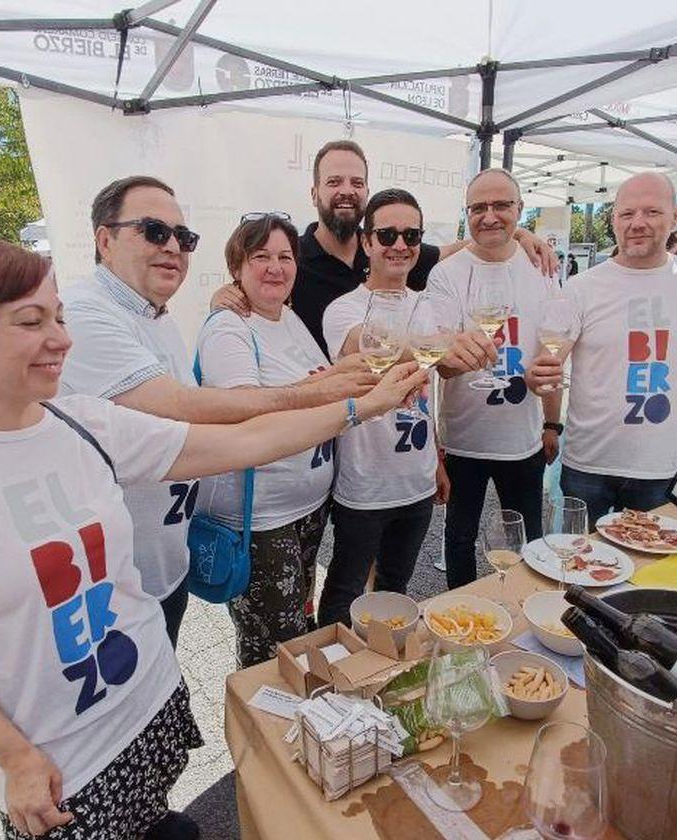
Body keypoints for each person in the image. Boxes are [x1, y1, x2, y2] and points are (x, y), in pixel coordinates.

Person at [0, 236, 425, 840]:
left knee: (160, 822)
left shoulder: (83, 421)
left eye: (60, 317)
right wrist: (13, 758)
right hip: (58, 761)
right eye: (30, 321)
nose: (62, 339)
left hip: (150, 699)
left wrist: (364, 405)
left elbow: (243, 442)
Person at [59, 176, 375, 648]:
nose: (172, 246)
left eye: (182, 238)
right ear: (104, 240)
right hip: (119, 579)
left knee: (275, 644)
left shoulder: (156, 315)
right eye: (153, 231)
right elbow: (195, 410)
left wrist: (338, 378)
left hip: (166, 560)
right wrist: (339, 398)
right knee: (270, 654)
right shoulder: (87, 313)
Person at [210, 140, 559, 354]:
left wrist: (518, 234)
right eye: (334, 182)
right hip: (317, 419)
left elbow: (460, 247)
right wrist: (225, 297)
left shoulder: (390, 252)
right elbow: (255, 293)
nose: (346, 190)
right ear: (314, 193)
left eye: (356, 182)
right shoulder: (293, 258)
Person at [194, 214, 351, 666]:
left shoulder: (289, 318)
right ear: (237, 267)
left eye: (284, 256)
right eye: (260, 256)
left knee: (296, 628)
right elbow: (246, 411)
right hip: (260, 520)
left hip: (305, 510)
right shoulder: (229, 327)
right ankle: (258, 731)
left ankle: (291, 725)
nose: (275, 267)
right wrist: (341, 398)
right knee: (273, 646)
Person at [526, 173, 677, 517]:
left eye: (651, 212)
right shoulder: (581, 287)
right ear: (613, 219)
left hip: (663, 465)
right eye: (626, 214)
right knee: (580, 564)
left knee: (655, 568)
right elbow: (548, 362)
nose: (637, 223)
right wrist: (538, 379)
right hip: (590, 462)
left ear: (674, 216)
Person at [318, 189, 472, 628]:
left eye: (411, 234)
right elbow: (371, 349)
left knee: (394, 592)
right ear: (366, 242)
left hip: (417, 483)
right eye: (387, 234)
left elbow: (434, 389)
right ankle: (329, 680)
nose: (400, 245)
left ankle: (378, 670)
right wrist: (442, 347)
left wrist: (438, 459)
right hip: (364, 484)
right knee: (342, 597)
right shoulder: (342, 309)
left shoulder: (430, 307)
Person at [428, 169, 563, 590]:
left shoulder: (542, 268)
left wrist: (552, 422)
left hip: (522, 439)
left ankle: (526, 613)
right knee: (460, 538)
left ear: (519, 211)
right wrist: (459, 358)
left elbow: (551, 350)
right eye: (478, 208)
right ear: (466, 214)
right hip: (464, 437)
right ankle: (459, 615)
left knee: (529, 542)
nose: (489, 216)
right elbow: (442, 365)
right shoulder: (446, 273)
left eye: (501, 205)